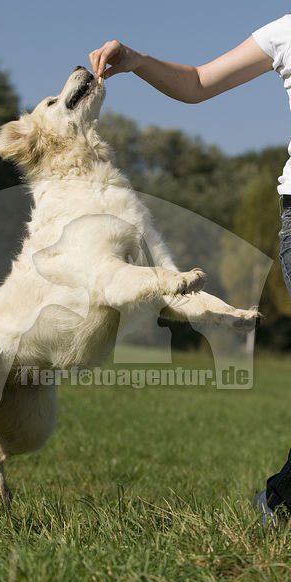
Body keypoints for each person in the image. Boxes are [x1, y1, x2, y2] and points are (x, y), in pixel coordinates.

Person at [89, 15, 291, 525]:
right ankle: (281, 499)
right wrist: (136, 61)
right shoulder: (286, 30)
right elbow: (199, 83)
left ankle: (282, 496)